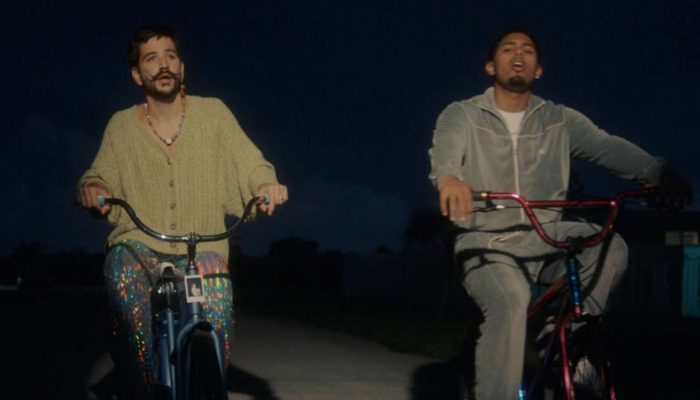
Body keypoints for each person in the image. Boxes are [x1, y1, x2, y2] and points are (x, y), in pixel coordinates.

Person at [428, 27, 692, 400]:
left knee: (609, 246)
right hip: (487, 241)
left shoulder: (558, 119)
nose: (518, 55)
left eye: (527, 50)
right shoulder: (464, 114)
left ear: (538, 70)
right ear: (490, 66)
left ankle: (568, 332)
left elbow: (606, 147)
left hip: (547, 233)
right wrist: (450, 179)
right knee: (510, 302)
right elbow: (446, 151)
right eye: (508, 49)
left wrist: (658, 173)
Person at [76, 24, 288, 398]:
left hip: (200, 248)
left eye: (170, 56)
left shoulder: (214, 114)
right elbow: (99, 174)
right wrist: (95, 189)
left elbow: (250, 162)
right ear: (137, 74)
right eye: (151, 58)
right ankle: (142, 387)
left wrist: (265, 185)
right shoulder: (121, 126)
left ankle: (211, 382)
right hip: (140, 248)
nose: (163, 65)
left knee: (216, 290)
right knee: (122, 273)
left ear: (182, 67)